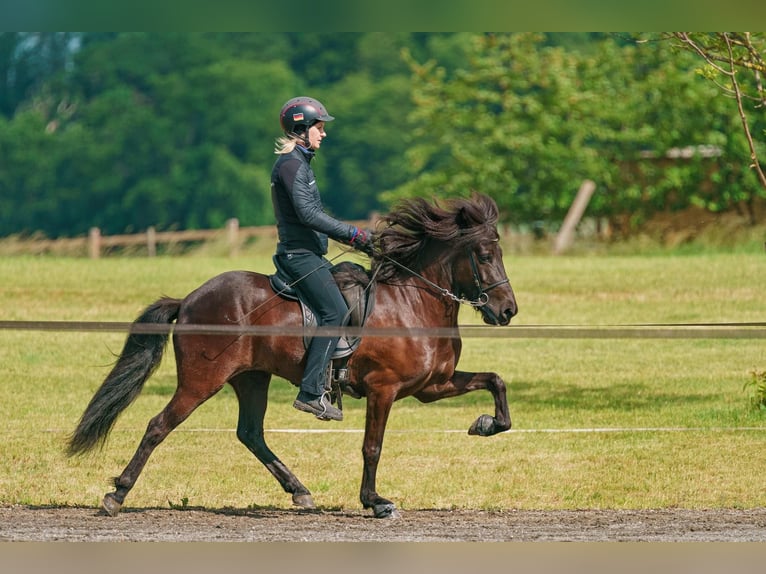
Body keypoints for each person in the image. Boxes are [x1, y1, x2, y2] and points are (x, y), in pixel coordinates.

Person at [270, 96, 373, 421]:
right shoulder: (292, 166)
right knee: (335, 311)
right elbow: (309, 214)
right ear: (302, 128)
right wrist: (354, 235)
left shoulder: (300, 163)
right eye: (319, 127)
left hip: (310, 253)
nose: (323, 133)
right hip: (299, 256)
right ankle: (312, 393)